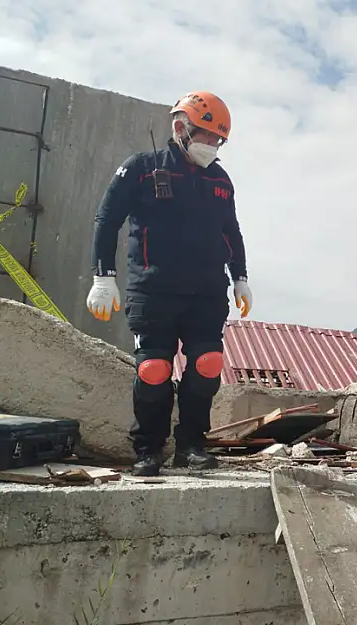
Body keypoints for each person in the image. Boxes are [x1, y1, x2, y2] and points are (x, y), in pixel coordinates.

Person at [85, 91, 253, 476]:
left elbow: (232, 232)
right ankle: (148, 449)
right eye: (206, 136)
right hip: (153, 290)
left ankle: (192, 445)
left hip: (207, 292)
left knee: (208, 364)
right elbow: (106, 220)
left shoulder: (220, 181)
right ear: (181, 128)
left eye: (218, 140)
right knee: (154, 368)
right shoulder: (141, 168)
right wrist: (102, 276)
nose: (211, 146)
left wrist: (239, 278)